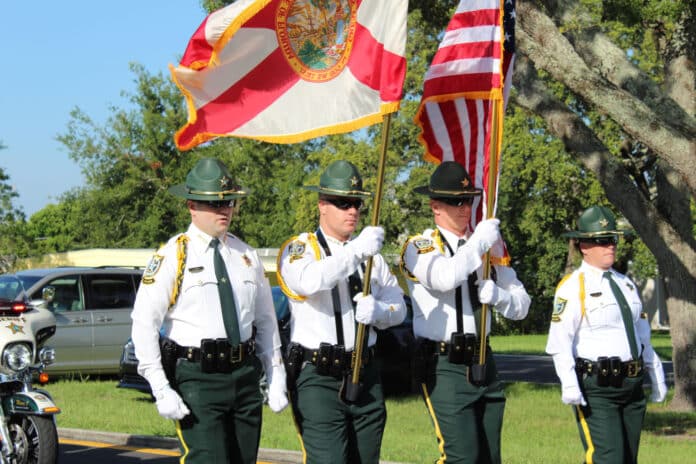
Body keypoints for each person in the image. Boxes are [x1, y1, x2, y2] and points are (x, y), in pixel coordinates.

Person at [131, 157, 288, 464]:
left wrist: (276, 372)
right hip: (197, 376)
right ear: (192, 205)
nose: (224, 210)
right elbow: (143, 324)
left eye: (228, 202)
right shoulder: (173, 256)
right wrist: (160, 387)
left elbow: (266, 321)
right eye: (214, 204)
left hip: (244, 374)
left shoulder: (245, 255)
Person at [276, 159, 406, 464]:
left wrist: (379, 312)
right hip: (320, 375)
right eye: (343, 203)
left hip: (366, 373)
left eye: (357, 203)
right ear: (322, 205)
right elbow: (310, 280)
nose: (353, 211)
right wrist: (357, 250)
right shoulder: (301, 248)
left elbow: (398, 307)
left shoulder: (370, 256)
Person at [400, 161, 530, 464]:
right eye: (455, 201)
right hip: (444, 363)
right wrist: (480, 241)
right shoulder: (419, 247)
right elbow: (445, 277)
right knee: (461, 456)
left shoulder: (485, 246)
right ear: (435, 206)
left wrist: (498, 295)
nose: (464, 208)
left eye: (468, 200)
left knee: (489, 456)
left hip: (484, 359)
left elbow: (522, 306)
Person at [546, 205, 667, 464]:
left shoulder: (625, 283)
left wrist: (655, 369)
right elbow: (559, 342)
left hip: (632, 385)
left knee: (628, 458)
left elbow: (641, 334)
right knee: (607, 457)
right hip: (597, 387)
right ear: (583, 246)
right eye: (602, 241)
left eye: (612, 239)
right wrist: (569, 384)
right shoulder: (572, 287)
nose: (610, 246)